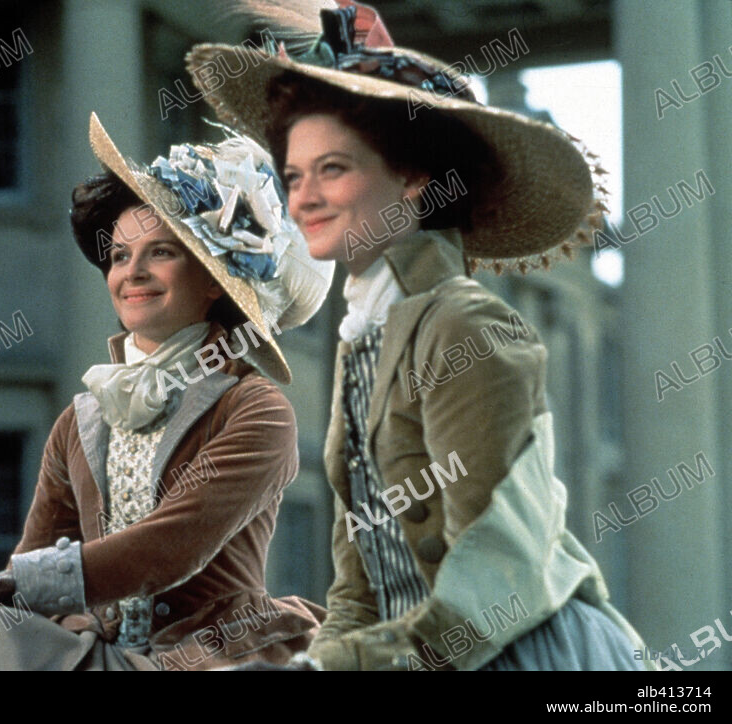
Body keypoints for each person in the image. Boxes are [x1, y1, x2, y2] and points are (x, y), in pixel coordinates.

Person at [187, 0, 656, 670]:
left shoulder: (470, 327)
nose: (304, 199)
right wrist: (320, 658)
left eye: (334, 169)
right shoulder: (362, 337)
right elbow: (361, 584)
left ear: (412, 179)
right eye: (293, 175)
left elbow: (499, 582)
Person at [0, 112, 333, 670]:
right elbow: (38, 556)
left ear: (215, 279)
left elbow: (171, 546)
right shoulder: (83, 418)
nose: (132, 272)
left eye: (161, 252)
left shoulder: (255, 408)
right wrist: (25, 601)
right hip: (110, 651)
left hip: (211, 653)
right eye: (120, 255)